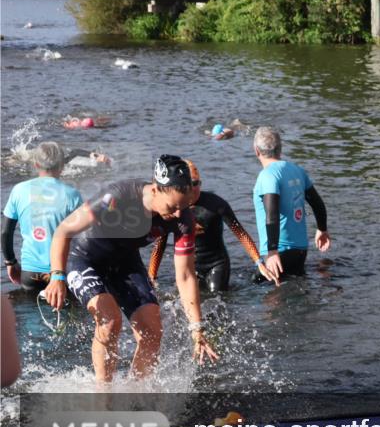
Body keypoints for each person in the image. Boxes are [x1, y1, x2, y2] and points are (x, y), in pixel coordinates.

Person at [43, 155, 218, 385]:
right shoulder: (117, 196)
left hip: (124, 262)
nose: (177, 214)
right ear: (155, 189)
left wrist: (197, 328)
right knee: (109, 321)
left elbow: (185, 275)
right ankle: (103, 397)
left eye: (183, 207)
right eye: (172, 206)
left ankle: (135, 395)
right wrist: (57, 276)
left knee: (153, 330)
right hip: (85, 258)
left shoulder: (182, 218)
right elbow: (63, 230)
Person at [148, 160, 278, 292]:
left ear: (201, 183)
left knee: (218, 299)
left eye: (196, 183)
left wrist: (259, 262)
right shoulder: (172, 209)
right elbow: (160, 243)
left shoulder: (216, 204)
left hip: (216, 263)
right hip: (188, 264)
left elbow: (240, 233)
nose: (193, 189)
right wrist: (152, 276)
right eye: (189, 185)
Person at [3, 143, 84, 292]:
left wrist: (10, 262)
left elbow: (6, 232)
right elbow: (84, 237)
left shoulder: (19, 190)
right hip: (61, 272)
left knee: (32, 312)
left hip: (30, 273)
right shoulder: (72, 195)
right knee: (68, 313)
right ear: (62, 166)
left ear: (36, 164)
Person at [251, 127, 330, 280]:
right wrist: (322, 229)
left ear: (256, 151)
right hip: (300, 251)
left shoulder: (267, 176)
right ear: (280, 149)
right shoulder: (297, 170)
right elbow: (317, 203)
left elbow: (272, 214)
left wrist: (272, 251)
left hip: (278, 252)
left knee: (265, 295)